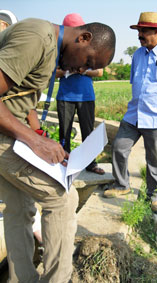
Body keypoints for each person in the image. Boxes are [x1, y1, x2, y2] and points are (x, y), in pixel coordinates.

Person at [0, 16, 115, 282]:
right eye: (87, 62)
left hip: (10, 134)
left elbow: (18, 93)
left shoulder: (48, 45)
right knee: (63, 200)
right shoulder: (38, 38)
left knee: (19, 208)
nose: (82, 69)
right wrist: (34, 140)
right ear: (83, 38)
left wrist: (39, 135)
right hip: (5, 137)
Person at [103, 12, 157, 214]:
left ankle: (154, 196)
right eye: (138, 30)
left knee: (154, 160)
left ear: (156, 32)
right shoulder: (138, 55)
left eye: (143, 31)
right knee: (119, 148)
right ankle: (122, 185)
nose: (139, 35)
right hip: (134, 114)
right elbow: (136, 83)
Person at [0, 8, 43, 248]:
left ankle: (37, 233)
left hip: (11, 136)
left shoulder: (15, 56)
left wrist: (37, 136)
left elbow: (27, 106)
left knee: (21, 203)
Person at [56, 13, 105, 175]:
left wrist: (84, 71)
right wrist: (65, 71)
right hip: (65, 96)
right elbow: (51, 72)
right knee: (64, 131)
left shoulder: (91, 48)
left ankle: (90, 163)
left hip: (86, 96)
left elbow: (100, 72)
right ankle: (64, 160)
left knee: (88, 131)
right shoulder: (60, 49)